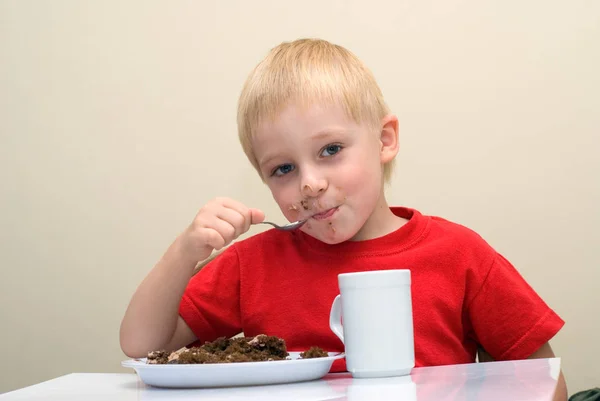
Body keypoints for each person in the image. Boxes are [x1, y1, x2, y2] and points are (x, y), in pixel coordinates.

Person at [119, 38, 567, 399]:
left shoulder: (459, 254)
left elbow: (540, 375)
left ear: (385, 139)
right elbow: (142, 347)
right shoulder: (250, 264)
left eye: (330, 150)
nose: (309, 184)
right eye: (283, 169)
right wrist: (183, 252)